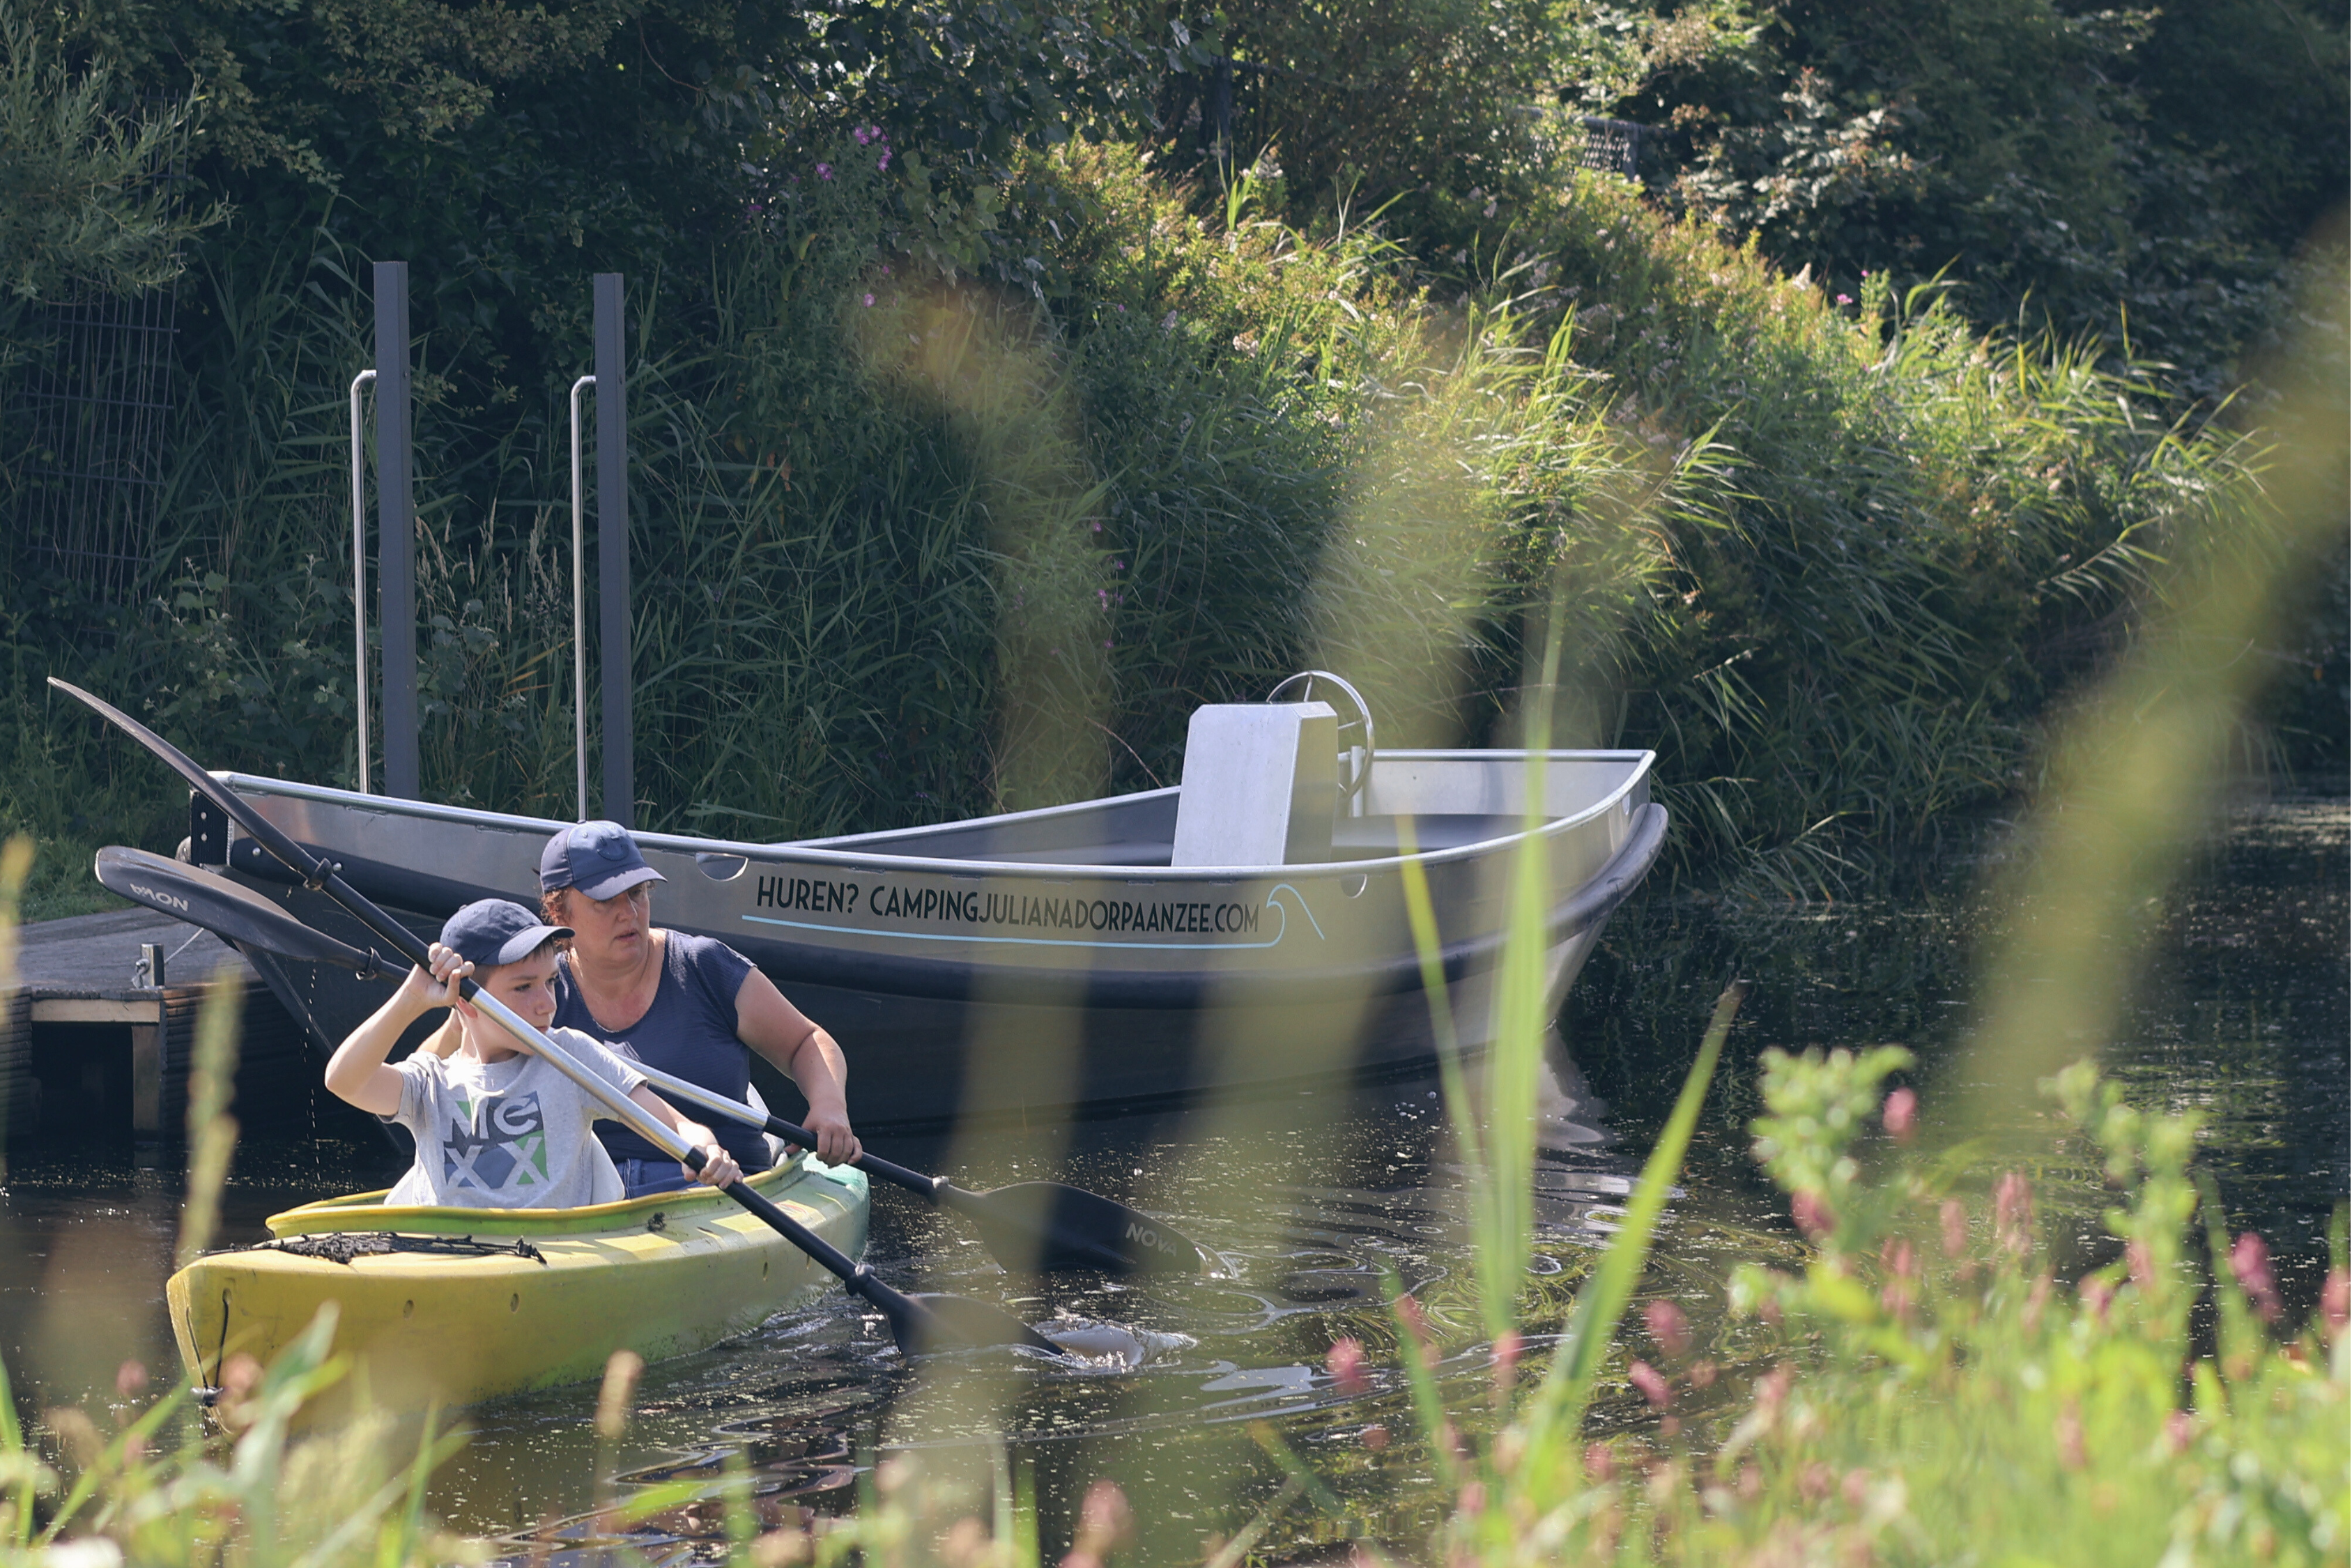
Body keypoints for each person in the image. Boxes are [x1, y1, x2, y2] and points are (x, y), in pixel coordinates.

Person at [327, 899, 741, 1208]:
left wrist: (707, 1148)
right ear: (468, 1002)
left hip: (557, 1261)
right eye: (524, 988)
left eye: (551, 982)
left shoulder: (570, 1056)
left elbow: (675, 1125)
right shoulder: (430, 1082)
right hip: (453, 1263)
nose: (547, 1004)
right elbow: (344, 1081)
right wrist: (412, 999)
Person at [535, 820, 863, 1197]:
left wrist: (829, 1104)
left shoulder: (703, 965)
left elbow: (806, 1041)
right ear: (560, 913)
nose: (630, 913)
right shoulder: (538, 991)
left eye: (638, 893)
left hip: (726, 1195)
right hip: (595, 1204)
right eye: (606, 901)